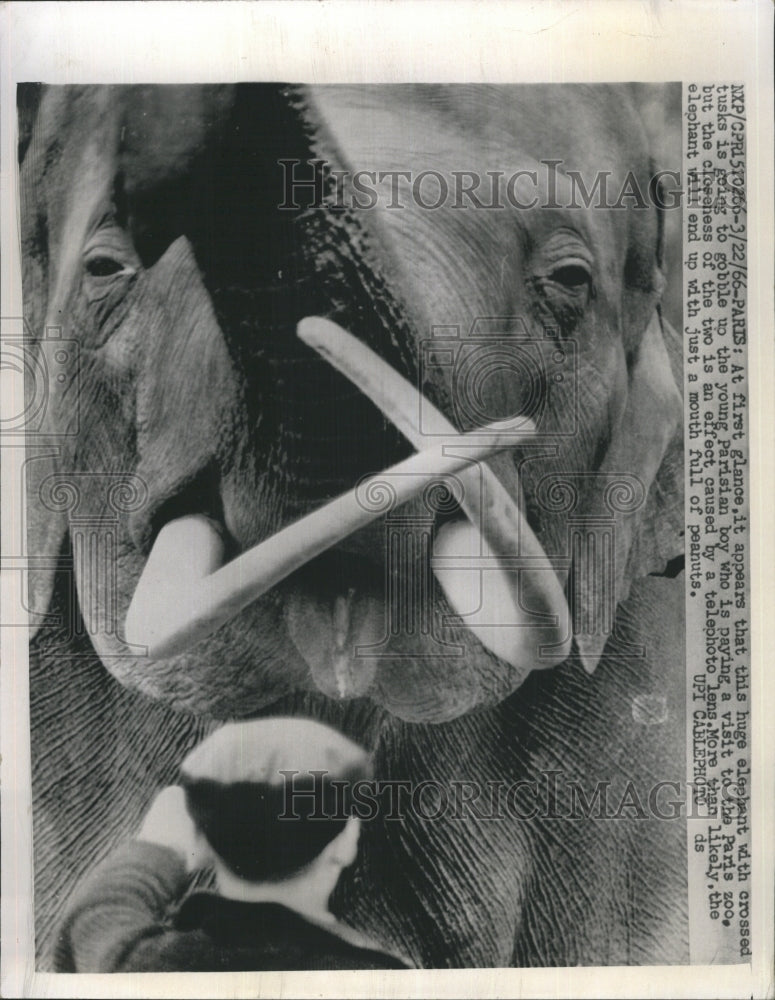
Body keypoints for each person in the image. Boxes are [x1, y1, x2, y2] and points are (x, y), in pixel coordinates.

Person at [55, 717, 411, 972]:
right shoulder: (382, 982)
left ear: (202, 842)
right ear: (345, 844)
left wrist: (160, 848)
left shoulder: (144, 965)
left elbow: (96, 916)